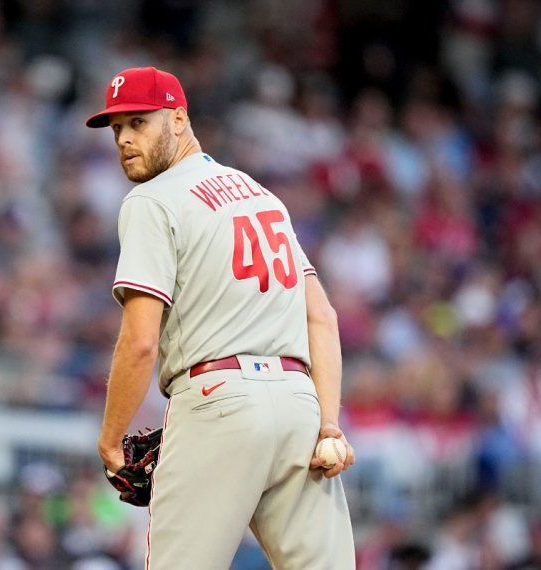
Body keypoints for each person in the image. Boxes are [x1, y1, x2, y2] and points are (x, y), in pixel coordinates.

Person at [87, 67, 355, 569]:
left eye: (139, 123)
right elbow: (322, 316)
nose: (124, 139)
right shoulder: (258, 194)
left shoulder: (151, 200)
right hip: (299, 408)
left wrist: (109, 440)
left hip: (218, 403)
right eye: (117, 129)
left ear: (179, 119)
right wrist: (329, 425)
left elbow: (140, 342)